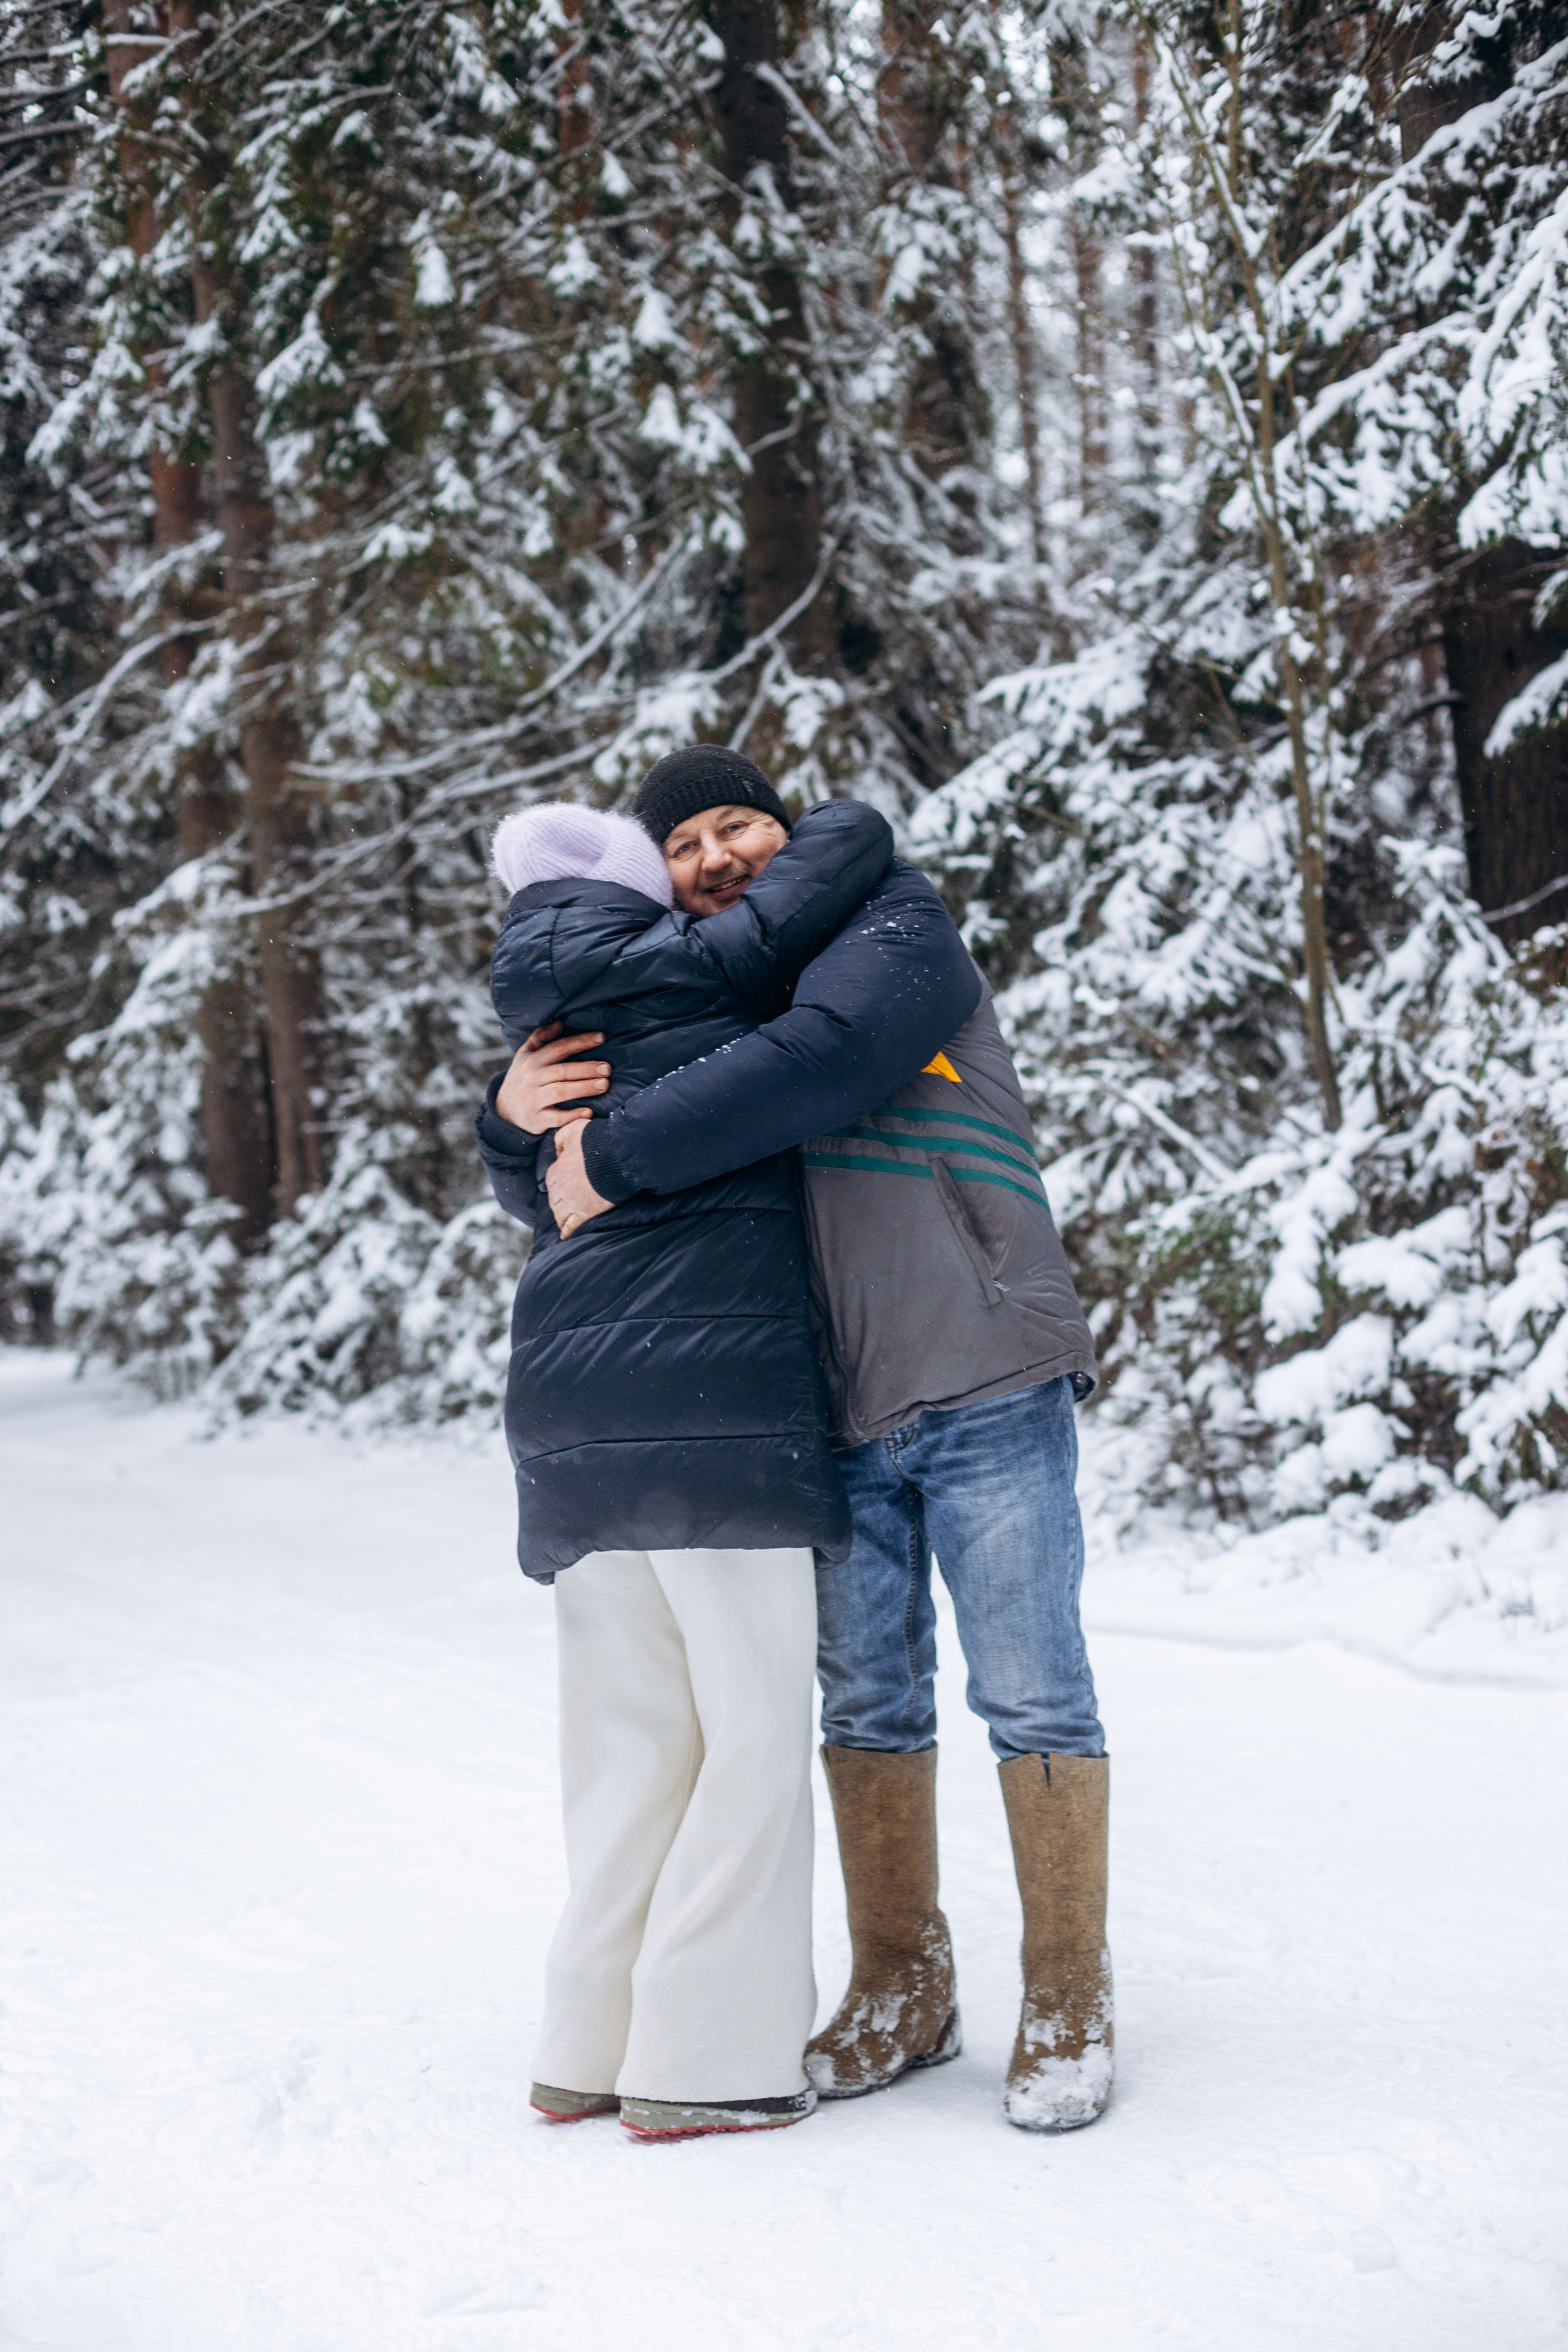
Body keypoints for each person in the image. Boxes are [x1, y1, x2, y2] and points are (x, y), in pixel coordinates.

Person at [486, 742, 1114, 2133]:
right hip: (829, 1400)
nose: (715, 859)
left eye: (737, 827)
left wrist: (610, 1149)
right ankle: (904, 1982)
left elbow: (822, 1063)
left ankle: (1067, 1992)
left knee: (1031, 1689)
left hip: (978, 1357)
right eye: (685, 848)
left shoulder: (895, 925)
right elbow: (587, 1147)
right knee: (865, 1705)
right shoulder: (724, 986)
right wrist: (507, 1119)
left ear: (785, 828)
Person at [480, 790, 892, 2141]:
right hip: (707, 1397)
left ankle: (582, 2041)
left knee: (628, 1744)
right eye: (683, 847)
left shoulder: (555, 1012)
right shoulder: (705, 966)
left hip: (567, 1408)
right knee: (751, 1733)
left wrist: (502, 1119)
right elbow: (827, 873)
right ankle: (708, 2063)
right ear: (643, 887)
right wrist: (829, 823)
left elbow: (533, 1179)